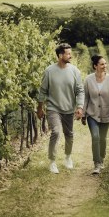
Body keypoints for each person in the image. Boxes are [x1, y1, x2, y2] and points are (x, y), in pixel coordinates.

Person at [37, 43, 84, 174]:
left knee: (69, 134)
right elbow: (43, 91)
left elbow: (80, 90)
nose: (71, 56)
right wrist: (40, 108)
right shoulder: (49, 71)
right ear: (60, 55)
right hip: (53, 108)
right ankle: (52, 161)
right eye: (68, 53)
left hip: (69, 108)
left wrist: (80, 107)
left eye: (70, 53)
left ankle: (68, 157)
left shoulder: (75, 71)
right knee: (56, 132)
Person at [83, 55, 109, 175]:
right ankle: (97, 164)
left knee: (102, 139)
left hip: (106, 114)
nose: (105, 66)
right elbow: (85, 98)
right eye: (102, 64)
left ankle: (101, 158)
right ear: (95, 66)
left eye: (105, 64)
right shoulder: (88, 80)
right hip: (92, 114)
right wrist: (83, 114)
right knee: (95, 137)